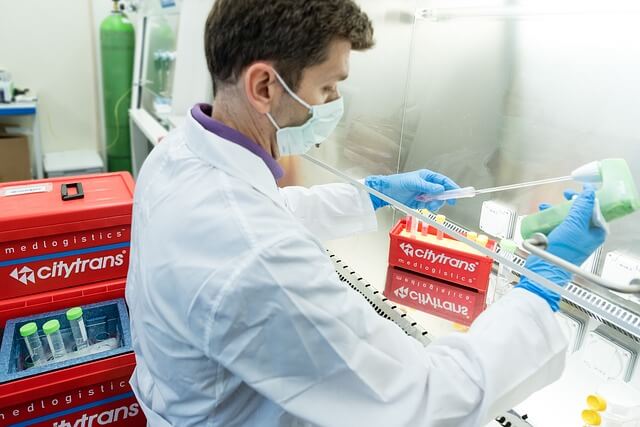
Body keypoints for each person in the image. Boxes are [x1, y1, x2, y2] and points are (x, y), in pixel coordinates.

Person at [124, 1, 606, 426]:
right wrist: (540, 288)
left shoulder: (180, 154)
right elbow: (422, 404)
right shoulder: (260, 262)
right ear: (264, 86)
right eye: (329, 86)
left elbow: (264, 211)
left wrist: (368, 195)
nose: (335, 102)